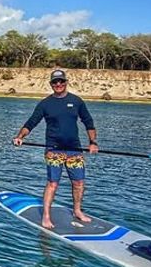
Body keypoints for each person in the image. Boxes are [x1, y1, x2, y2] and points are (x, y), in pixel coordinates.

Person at [12, 69, 98, 229]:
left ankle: (77, 211)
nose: (58, 84)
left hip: (74, 150)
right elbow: (31, 122)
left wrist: (93, 142)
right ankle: (46, 216)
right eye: (55, 82)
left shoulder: (77, 101)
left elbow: (88, 122)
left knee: (78, 182)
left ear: (66, 82)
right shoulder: (45, 104)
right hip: (54, 150)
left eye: (61, 81)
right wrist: (20, 137)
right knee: (53, 183)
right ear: (51, 84)